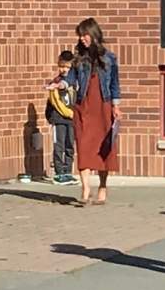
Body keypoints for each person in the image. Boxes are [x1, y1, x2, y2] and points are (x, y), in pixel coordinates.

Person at [56, 17, 121, 206]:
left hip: (103, 106)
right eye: (80, 36)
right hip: (83, 106)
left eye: (85, 35)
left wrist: (116, 106)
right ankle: (85, 189)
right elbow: (70, 78)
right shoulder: (78, 59)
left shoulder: (109, 58)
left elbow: (115, 84)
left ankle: (102, 186)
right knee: (83, 146)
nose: (82, 39)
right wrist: (60, 84)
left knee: (103, 148)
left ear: (93, 34)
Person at [45, 51, 79, 186]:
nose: (63, 69)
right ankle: (59, 173)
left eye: (66, 67)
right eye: (61, 66)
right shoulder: (55, 82)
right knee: (59, 145)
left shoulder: (74, 82)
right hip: (58, 119)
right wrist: (49, 117)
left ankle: (68, 171)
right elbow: (51, 102)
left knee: (70, 145)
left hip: (71, 118)